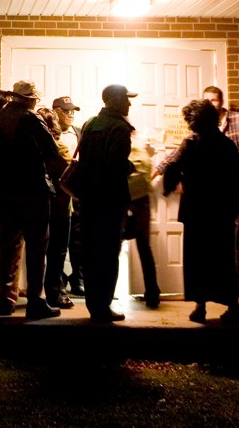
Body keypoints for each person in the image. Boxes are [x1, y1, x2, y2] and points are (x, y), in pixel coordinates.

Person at [162, 99, 239, 324]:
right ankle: (233, 306)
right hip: (221, 212)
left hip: (196, 211)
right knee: (223, 259)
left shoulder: (190, 144)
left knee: (197, 259)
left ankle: (200, 307)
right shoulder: (226, 144)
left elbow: (172, 168)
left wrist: (173, 184)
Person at [0, 80, 62, 319]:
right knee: (37, 244)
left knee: (9, 243)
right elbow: (51, 150)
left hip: (3, 188)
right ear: (30, 99)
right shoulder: (31, 119)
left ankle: (6, 299)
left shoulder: (0, 117)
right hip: (31, 189)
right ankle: (35, 300)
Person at [75, 84, 138, 323]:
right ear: (113, 100)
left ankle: (94, 304)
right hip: (109, 200)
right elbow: (115, 164)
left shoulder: (90, 124)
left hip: (88, 198)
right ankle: (103, 305)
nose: (129, 103)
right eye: (126, 99)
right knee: (109, 253)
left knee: (91, 252)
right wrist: (130, 168)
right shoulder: (119, 128)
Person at [200, 85, 239, 302]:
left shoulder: (238, 119)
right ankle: (230, 288)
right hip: (226, 192)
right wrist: (161, 167)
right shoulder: (204, 127)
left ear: (222, 101)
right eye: (206, 100)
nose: (211, 103)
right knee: (228, 241)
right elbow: (182, 150)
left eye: (214, 100)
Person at [38, 106, 75, 310]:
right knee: (58, 251)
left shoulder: (34, 147)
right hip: (60, 206)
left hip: (42, 205)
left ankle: (45, 291)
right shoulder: (58, 147)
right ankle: (55, 292)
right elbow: (71, 172)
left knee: (41, 250)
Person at [51, 95, 87, 297]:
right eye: (67, 111)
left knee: (78, 239)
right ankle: (58, 280)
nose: (71, 115)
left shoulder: (80, 133)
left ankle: (79, 279)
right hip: (57, 194)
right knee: (57, 241)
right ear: (56, 111)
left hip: (77, 192)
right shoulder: (52, 134)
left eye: (73, 111)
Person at [124, 133, 162, 309]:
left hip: (122, 201)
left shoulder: (121, 146)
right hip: (142, 202)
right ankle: (152, 293)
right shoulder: (141, 150)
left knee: (112, 248)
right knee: (145, 248)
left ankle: (106, 295)